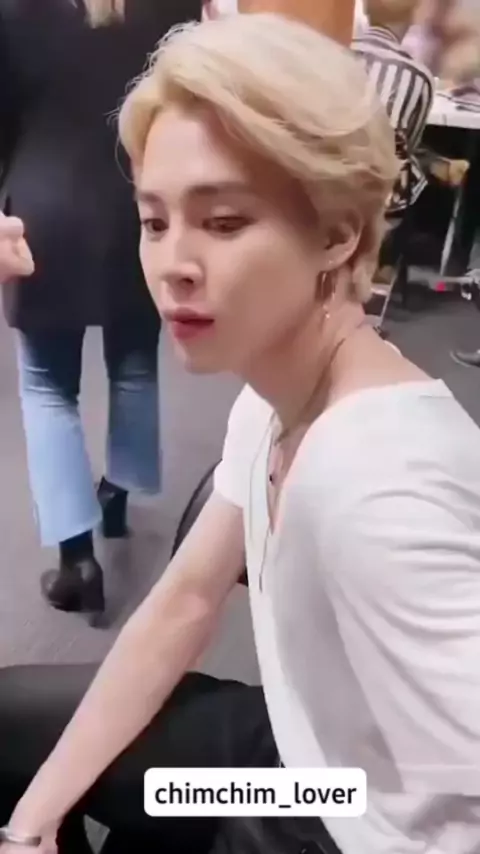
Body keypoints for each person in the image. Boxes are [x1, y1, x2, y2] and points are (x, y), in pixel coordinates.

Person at [1, 11, 480, 854]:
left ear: (337, 233)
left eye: (223, 223)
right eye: (155, 221)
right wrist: (30, 826)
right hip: (306, 771)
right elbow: (185, 601)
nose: (173, 265)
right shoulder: (273, 395)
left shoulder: (379, 491)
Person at [0, 0, 200, 619]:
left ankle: (76, 559)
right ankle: (118, 492)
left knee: (47, 386)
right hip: (140, 208)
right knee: (135, 361)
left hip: (43, 209)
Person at [352, 0, 434, 212]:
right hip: (379, 201)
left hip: (324, 182)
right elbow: (407, 147)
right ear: (414, 15)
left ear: (366, 8)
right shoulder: (418, 77)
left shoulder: (335, 51)